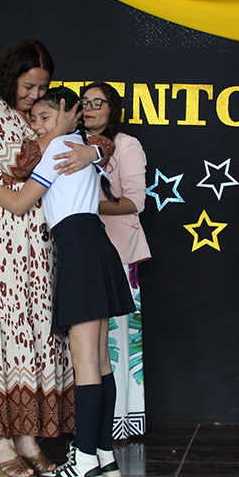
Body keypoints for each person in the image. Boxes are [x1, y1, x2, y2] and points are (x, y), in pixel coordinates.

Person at [0, 87, 135, 477]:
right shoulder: (80, 147)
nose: (37, 126)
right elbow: (99, 152)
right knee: (100, 361)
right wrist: (87, 145)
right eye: (33, 120)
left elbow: (19, 202)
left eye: (45, 117)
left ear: (67, 115)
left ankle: (83, 462)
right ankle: (103, 455)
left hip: (79, 253)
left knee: (86, 362)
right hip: (96, 247)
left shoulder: (60, 149)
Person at [81, 82, 151, 439]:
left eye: (99, 102)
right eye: (85, 102)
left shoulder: (126, 145)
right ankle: (88, 423)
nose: (90, 108)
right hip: (80, 252)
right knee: (86, 340)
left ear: (113, 109)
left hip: (119, 252)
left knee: (118, 340)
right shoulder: (71, 145)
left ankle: (121, 420)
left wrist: (86, 206)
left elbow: (135, 201)